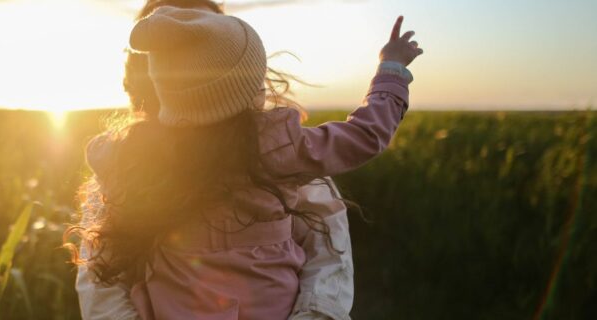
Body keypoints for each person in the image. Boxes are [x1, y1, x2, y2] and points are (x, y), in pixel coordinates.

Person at [68, 2, 421, 319]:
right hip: (271, 304)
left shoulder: (134, 158)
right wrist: (390, 70)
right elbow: (365, 136)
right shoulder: (280, 147)